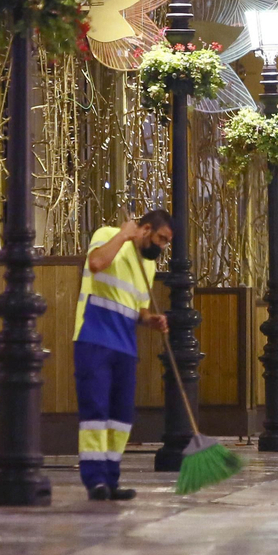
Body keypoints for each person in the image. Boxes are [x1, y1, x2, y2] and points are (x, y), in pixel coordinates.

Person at [75, 210, 172, 501]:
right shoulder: (106, 235)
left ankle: (111, 477)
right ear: (145, 229)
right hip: (94, 338)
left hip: (125, 345)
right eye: (161, 239)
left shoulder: (148, 266)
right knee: (96, 411)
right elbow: (96, 263)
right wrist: (123, 235)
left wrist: (149, 319)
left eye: (167, 242)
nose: (163, 247)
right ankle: (95, 480)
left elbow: (136, 306)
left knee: (120, 417)